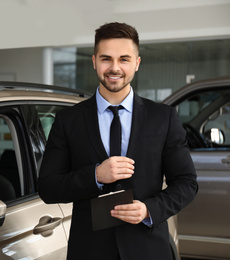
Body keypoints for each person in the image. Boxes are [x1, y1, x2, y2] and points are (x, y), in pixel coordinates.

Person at [38, 22, 198, 260]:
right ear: (94, 61)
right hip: (90, 250)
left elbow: (187, 183)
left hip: (148, 248)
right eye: (106, 59)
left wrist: (148, 209)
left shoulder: (163, 118)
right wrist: (95, 176)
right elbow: (48, 188)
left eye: (124, 59)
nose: (114, 68)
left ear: (137, 63)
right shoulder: (67, 120)